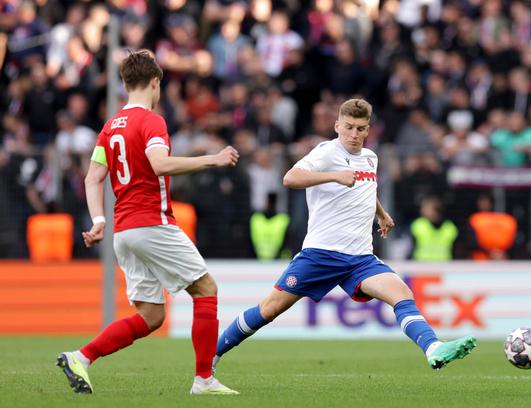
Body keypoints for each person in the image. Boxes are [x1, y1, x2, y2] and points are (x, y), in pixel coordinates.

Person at [213, 99, 476, 374]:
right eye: (348, 127)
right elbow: (290, 178)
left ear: (368, 130)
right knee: (269, 309)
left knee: (401, 293)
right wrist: (333, 176)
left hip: (360, 258)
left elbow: (365, 187)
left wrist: (381, 214)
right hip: (321, 254)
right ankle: (213, 355)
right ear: (337, 125)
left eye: (360, 128)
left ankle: (433, 348)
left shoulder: (370, 158)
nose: (354, 134)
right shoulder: (326, 152)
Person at [55, 50, 240, 396]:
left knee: (152, 315)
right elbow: (159, 163)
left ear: (124, 84)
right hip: (151, 223)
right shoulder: (152, 121)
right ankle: (204, 379)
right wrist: (212, 159)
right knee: (206, 289)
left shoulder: (109, 127)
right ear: (156, 83)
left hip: (124, 231)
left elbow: (93, 178)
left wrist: (98, 219)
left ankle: (81, 356)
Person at [409, 196, 458, 261]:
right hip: (421, 265)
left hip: (444, 266)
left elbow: (455, 250)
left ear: (435, 210)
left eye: (425, 208)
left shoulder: (449, 227)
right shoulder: (418, 224)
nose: (421, 210)